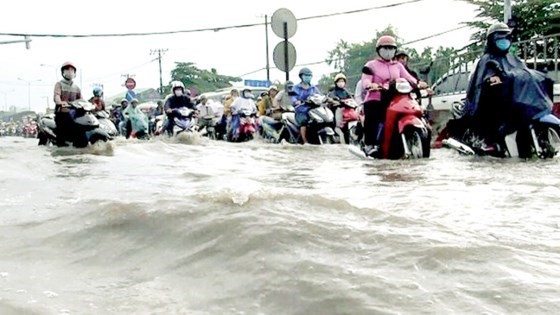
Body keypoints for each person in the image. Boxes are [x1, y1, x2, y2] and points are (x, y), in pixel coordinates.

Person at [459, 22, 553, 149]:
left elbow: (523, 73)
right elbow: (484, 79)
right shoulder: (486, 59)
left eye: (506, 37)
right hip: (494, 105)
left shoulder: (513, 58)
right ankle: (491, 143)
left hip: (516, 102)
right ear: (492, 40)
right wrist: (491, 80)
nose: (504, 41)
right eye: (500, 38)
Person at [360, 35, 425, 156]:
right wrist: (370, 85)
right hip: (376, 97)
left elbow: (409, 78)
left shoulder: (398, 66)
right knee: (373, 116)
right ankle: (370, 145)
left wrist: (418, 83)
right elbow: (365, 80)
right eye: (385, 48)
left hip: (395, 97)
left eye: (391, 48)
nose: (388, 51)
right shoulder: (371, 65)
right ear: (379, 50)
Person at [53, 61, 83, 146]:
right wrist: (59, 102)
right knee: (61, 134)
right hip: (62, 113)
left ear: (74, 72)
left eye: (71, 70)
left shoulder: (76, 87)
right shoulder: (59, 84)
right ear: (63, 72)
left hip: (74, 114)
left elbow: (81, 99)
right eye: (67, 69)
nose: (69, 71)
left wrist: (89, 105)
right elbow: (57, 95)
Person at [291, 68, 322, 144]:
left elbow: (320, 96)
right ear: (301, 77)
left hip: (313, 111)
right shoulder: (295, 88)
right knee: (304, 121)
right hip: (301, 111)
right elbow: (292, 99)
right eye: (306, 75)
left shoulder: (314, 88)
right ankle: (305, 141)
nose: (308, 77)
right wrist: (296, 101)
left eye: (309, 76)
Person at [327, 73, 358, 142]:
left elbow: (351, 98)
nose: (341, 83)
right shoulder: (333, 92)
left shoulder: (346, 91)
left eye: (343, 81)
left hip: (347, 110)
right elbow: (331, 99)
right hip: (338, 110)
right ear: (336, 82)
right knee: (339, 126)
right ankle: (339, 135)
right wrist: (335, 101)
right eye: (339, 81)